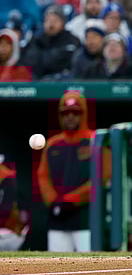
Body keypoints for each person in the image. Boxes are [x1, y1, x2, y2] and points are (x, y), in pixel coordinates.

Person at [38, 92, 108, 252]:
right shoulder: (52, 144)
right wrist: (54, 201)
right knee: (56, 270)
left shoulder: (95, 140)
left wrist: (72, 200)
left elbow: (102, 177)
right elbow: (43, 176)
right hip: (58, 218)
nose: (70, 117)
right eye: (65, 113)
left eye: (75, 113)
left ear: (83, 114)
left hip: (86, 218)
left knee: (90, 269)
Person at [21, 5, 81, 79]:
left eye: (55, 21)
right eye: (48, 20)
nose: (51, 24)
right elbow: (28, 61)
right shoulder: (36, 41)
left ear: (63, 23)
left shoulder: (72, 41)